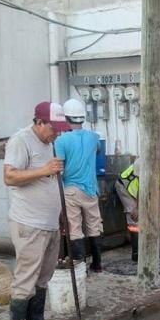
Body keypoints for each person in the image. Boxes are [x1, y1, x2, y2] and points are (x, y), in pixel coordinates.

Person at [3, 101, 71, 320]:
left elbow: (50, 182)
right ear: (39, 122)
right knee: (26, 278)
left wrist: (61, 214)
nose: (58, 133)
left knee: (44, 276)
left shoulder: (49, 143)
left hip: (49, 223)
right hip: (29, 223)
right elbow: (9, 177)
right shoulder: (20, 141)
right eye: (54, 128)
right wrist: (44, 170)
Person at [54, 98, 103, 272]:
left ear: (66, 118)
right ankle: (97, 264)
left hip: (71, 189)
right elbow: (97, 150)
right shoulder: (93, 136)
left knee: (74, 228)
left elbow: (58, 166)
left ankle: (80, 267)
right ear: (82, 118)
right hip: (91, 189)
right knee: (94, 226)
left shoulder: (61, 141)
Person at [115, 141, 160, 261]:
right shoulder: (141, 162)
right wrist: (137, 207)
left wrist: (158, 204)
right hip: (127, 188)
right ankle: (137, 253)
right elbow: (141, 187)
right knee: (135, 217)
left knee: (159, 217)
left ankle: (155, 248)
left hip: (148, 190)